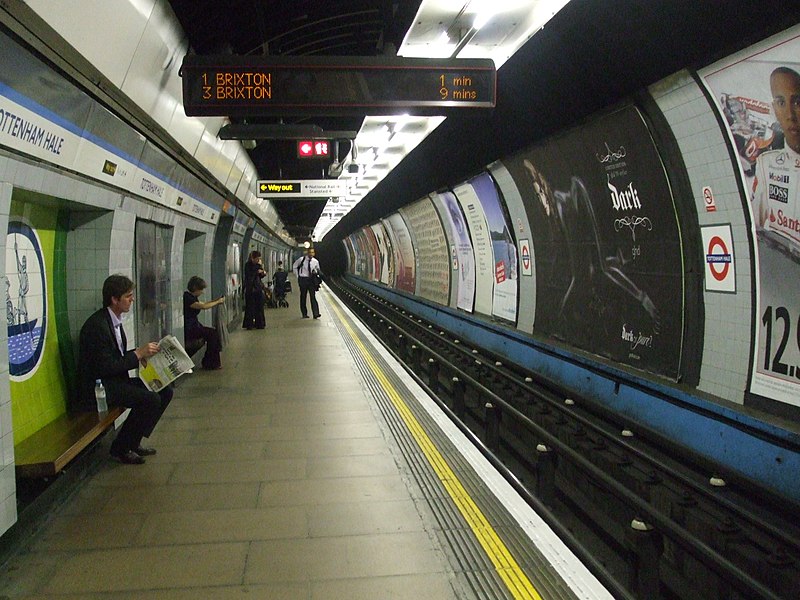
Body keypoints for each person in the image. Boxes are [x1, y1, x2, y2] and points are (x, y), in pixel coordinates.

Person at [78, 274, 173, 465]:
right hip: (100, 387)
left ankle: (133, 440)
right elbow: (106, 366)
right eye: (128, 296)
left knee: (164, 389)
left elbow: (116, 358)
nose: (132, 299)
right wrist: (137, 354)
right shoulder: (97, 327)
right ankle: (121, 448)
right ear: (114, 299)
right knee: (150, 399)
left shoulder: (113, 321)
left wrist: (144, 355)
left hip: (114, 381)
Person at [751, 66, 800, 259]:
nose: (790, 114)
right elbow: (756, 227)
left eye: (797, 102)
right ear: (774, 109)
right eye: (781, 102)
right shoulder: (766, 165)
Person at [183, 276, 224, 369]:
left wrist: (216, 300)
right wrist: (217, 302)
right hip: (190, 328)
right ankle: (210, 362)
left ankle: (210, 361)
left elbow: (204, 304)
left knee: (212, 333)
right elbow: (203, 306)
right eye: (201, 289)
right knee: (212, 334)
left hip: (193, 325)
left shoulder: (191, 297)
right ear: (195, 288)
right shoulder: (188, 298)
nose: (202, 292)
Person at [292, 248, 321, 319]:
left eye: (312, 252)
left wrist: (316, 272)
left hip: (311, 280)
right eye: (310, 252)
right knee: (303, 297)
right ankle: (304, 313)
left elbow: (318, 270)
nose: (311, 254)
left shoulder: (315, 261)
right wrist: (297, 275)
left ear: (314, 253)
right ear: (307, 253)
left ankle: (316, 313)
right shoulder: (301, 259)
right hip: (303, 279)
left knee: (313, 297)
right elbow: (295, 266)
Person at [243, 250, 267, 329]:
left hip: (258, 288)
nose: (258, 260)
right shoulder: (247, 265)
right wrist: (257, 272)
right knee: (250, 307)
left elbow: (261, 276)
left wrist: (262, 273)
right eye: (257, 258)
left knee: (259, 307)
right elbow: (249, 275)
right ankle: (249, 324)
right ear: (252, 258)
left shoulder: (258, 265)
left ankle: (259, 323)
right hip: (250, 289)